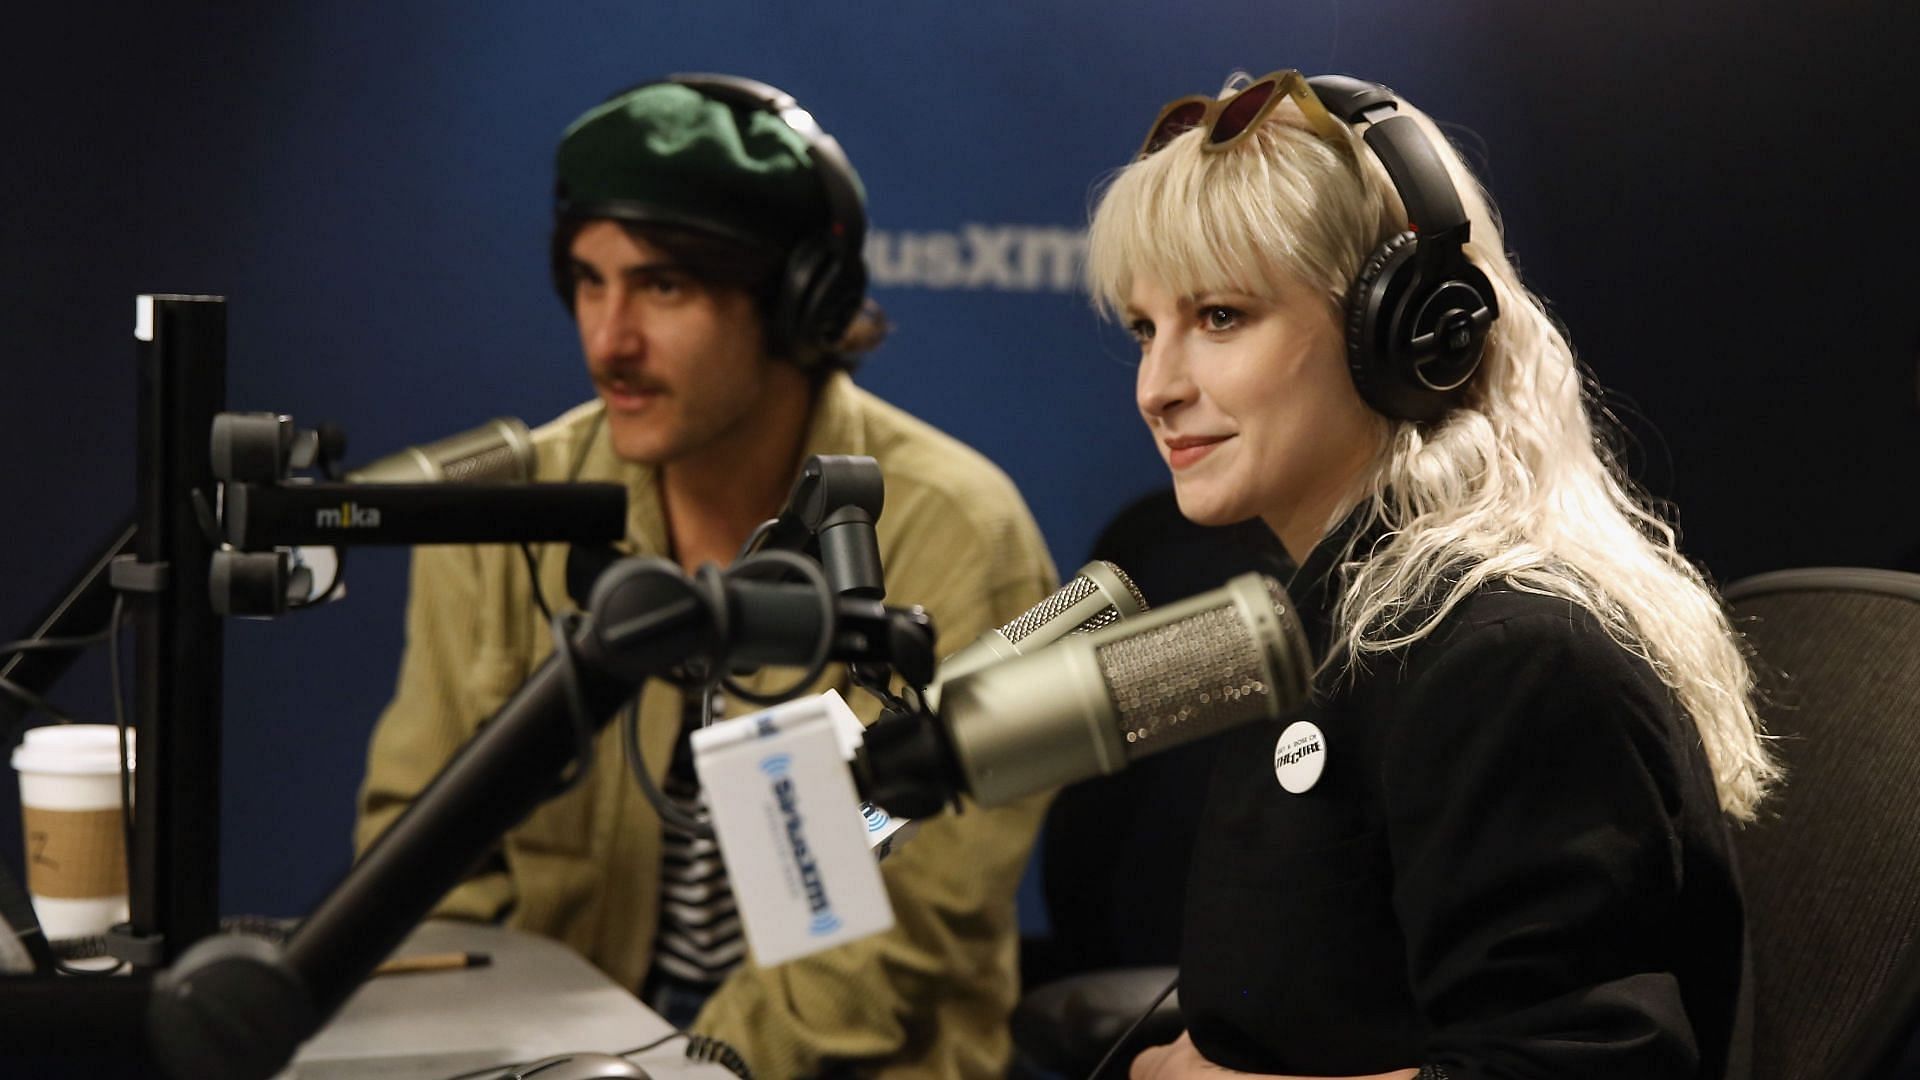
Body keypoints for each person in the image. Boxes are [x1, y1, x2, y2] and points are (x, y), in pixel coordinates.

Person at [354, 75, 1057, 1078]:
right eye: (590, 283)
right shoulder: (513, 515)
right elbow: (422, 864)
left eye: (663, 286)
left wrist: (677, 1071)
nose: (609, 341)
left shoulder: (957, 534)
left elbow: (904, 928)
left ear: (797, 301)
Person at [1083, 71, 1777, 1079]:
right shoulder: (1324, 619)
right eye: (1147, 330)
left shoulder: (1507, 659)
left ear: (1406, 329)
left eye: (1222, 317)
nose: (1159, 388)